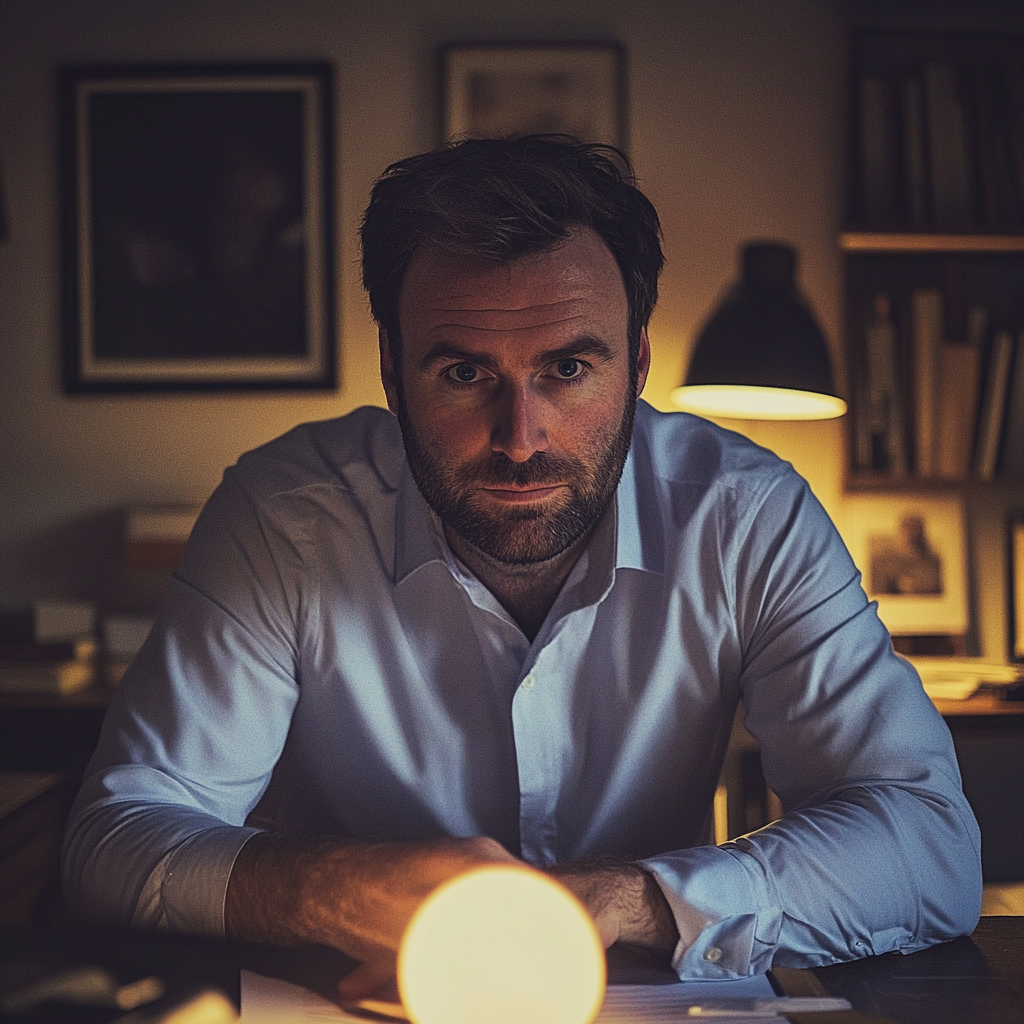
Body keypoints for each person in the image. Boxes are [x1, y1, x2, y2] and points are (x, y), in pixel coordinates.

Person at [63, 136, 981, 995]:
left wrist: (628, 899)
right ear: (390, 368)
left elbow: (928, 843)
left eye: (569, 369)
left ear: (639, 362)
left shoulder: (747, 515)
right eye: (464, 375)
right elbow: (113, 841)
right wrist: (328, 887)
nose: (520, 439)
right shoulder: (281, 517)